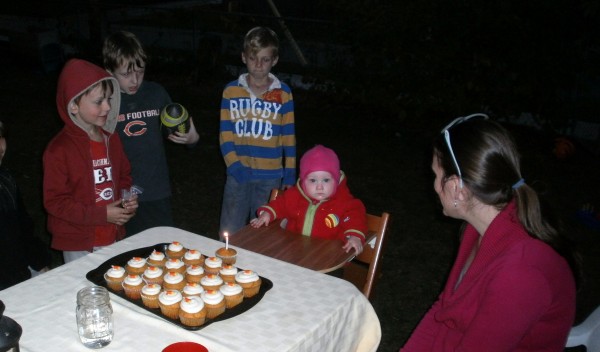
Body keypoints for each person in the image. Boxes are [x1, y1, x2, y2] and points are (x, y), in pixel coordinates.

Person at [401, 114, 579, 351]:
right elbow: (444, 310)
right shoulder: (476, 230)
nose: (433, 185)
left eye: (436, 176)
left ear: (457, 188)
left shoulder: (521, 273)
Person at [102, 30, 200, 236]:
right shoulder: (106, 102)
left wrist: (191, 137)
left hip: (156, 189)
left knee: (161, 249)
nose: (135, 80)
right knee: (127, 254)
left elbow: (177, 132)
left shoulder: (156, 93)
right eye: (126, 74)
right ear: (109, 71)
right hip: (121, 193)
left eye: (140, 71)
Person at [43, 58, 138, 263]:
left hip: (112, 235)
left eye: (109, 99)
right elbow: (55, 202)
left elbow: (124, 175)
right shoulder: (59, 150)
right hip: (78, 241)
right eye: (98, 102)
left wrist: (126, 198)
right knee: (84, 291)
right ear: (74, 105)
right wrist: (102, 215)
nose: (106, 107)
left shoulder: (111, 139)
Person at [219, 26, 296, 237]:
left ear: (275, 60)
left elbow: (288, 137)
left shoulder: (284, 94)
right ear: (244, 57)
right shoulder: (231, 91)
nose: (259, 65)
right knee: (231, 231)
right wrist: (234, 166)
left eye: (265, 59)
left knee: (265, 235)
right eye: (253, 58)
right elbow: (225, 135)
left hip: (270, 179)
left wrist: (289, 174)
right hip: (238, 175)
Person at [250, 145, 366, 254]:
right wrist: (268, 213)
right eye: (312, 180)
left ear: (336, 180)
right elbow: (280, 204)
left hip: (329, 256)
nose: (319, 186)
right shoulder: (295, 196)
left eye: (326, 180)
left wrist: (354, 236)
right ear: (303, 181)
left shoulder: (344, 202)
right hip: (294, 252)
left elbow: (356, 218)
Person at [0, 121, 51, 289]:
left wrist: (39, 261)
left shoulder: (5, 180)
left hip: (18, 277)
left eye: (1, 137)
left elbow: (23, 227)